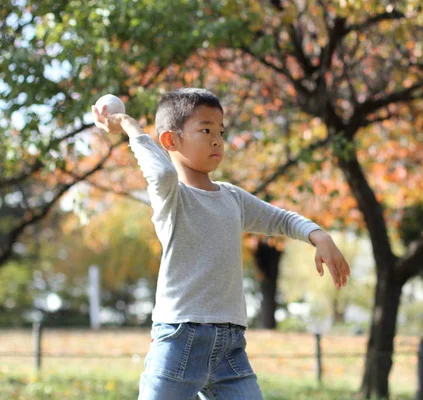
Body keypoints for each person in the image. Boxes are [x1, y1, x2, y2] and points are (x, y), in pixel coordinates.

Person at [91, 88, 351, 400]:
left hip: (230, 345)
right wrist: (130, 126)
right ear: (170, 141)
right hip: (180, 338)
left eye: (220, 131)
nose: (217, 139)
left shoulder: (232, 198)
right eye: (205, 130)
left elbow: (281, 220)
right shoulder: (173, 198)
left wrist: (318, 235)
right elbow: (160, 172)